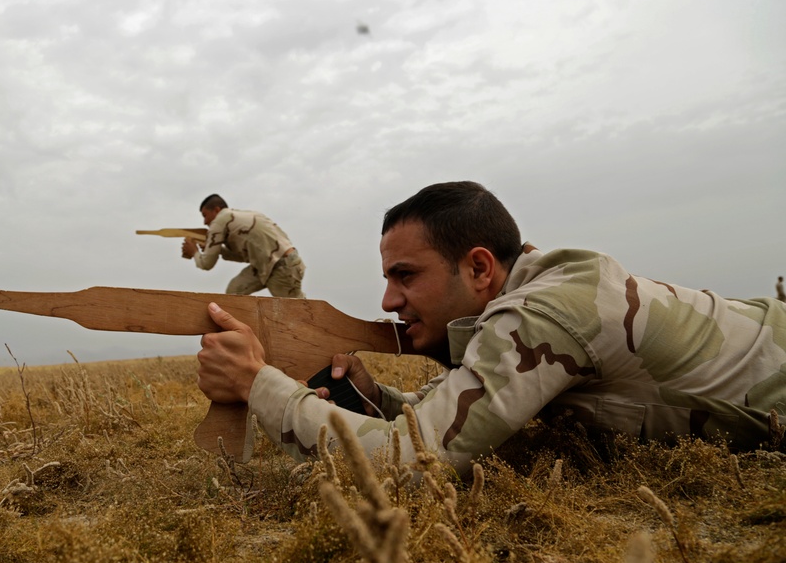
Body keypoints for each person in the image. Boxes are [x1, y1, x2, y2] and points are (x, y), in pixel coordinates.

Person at [195, 181, 786, 477]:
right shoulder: (525, 305)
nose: (388, 299)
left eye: (406, 275)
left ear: (479, 267)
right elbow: (449, 412)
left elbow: (410, 463)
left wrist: (259, 385)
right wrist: (374, 398)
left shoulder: (538, 315)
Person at [182, 194, 306, 298]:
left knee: (296, 314)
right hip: (270, 264)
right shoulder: (241, 216)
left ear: (216, 210)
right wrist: (220, 251)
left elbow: (207, 264)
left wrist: (194, 252)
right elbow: (246, 257)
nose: (205, 222)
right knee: (234, 291)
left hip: (281, 267)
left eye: (205, 215)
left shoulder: (219, 221)